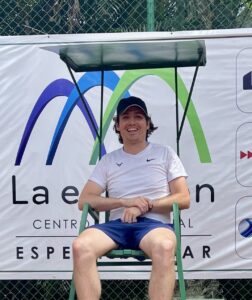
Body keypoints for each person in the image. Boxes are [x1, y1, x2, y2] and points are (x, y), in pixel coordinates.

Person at [72, 96, 190, 300]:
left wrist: (145, 206)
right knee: (80, 246)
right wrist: (125, 202)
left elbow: (183, 198)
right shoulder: (108, 160)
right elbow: (85, 200)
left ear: (147, 123)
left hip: (154, 226)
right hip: (117, 225)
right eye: (126, 117)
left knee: (165, 246)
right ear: (118, 126)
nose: (132, 122)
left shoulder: (165, 154)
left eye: (138, 117)